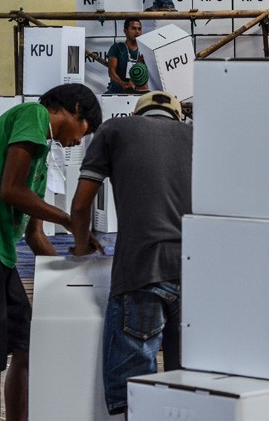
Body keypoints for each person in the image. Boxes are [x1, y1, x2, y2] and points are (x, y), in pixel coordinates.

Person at [0, 84, 101, 421]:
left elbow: (35, 235)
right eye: (86, 131)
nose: (80, 141)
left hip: (1, 253)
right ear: (75, 109)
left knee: (26, 344)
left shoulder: (40, 161)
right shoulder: (33, 115)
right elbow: (10, 190)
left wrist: (76, 271)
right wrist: (69, 220)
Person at [69, 91, 192, 417]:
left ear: (138, 115)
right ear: (179, 118)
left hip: (141, 272)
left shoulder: (114, 130)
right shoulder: (198, 136)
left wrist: (81, 249)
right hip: (197, 276)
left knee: (136, 393)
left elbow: (81, 207)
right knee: (190, 390)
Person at [106, 18, 149, 94]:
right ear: (125, 31)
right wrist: (124, 85)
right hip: (118, 90)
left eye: (139, 29)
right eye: (133, 28)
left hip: (139, 90)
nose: (137, 32)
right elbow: (112, 73)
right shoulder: (117, 47)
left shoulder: (145, 49)